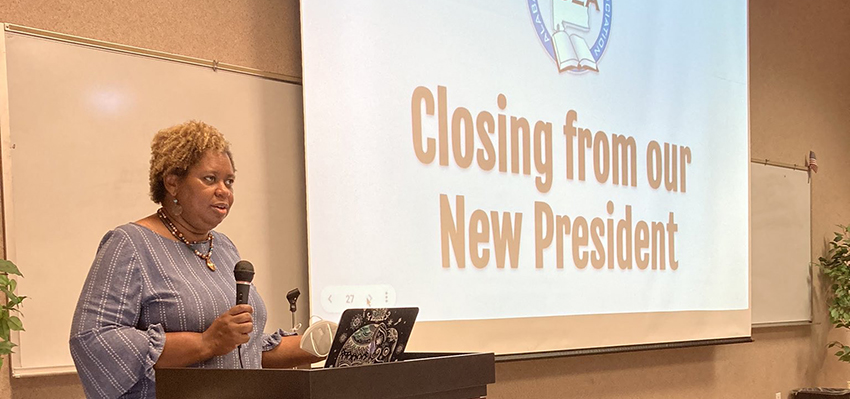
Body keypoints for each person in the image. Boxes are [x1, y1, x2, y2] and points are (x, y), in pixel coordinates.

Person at [69, 121, 321, 399]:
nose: (224, 190)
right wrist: (204, 343)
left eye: (229, 181)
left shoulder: (223, 247)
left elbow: (242, 350)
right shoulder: (130, 244)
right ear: (173, 183)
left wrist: (333, 340)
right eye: (210, 179)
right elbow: (93, 341)